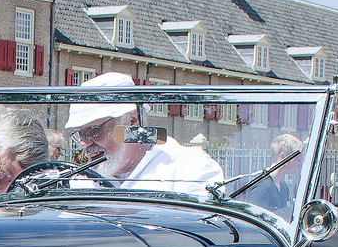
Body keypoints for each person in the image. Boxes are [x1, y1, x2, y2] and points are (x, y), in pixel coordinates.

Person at [61, 75, 223, 199]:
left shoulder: (188, 167)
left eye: (92, 130)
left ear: (132, 120)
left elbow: (198, 230)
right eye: (80, 133)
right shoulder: (80, 180)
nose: (84, 142)